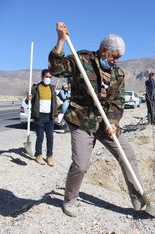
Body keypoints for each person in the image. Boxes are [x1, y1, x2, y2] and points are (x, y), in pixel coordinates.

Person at [49, 22, 148, 217]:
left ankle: (138, 196)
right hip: (82, 121)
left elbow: (118, 101)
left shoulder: (118, 74)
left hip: (105, 123)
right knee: (81, 165)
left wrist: (113, 122)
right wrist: (60, 41)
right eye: (115, 57)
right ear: (104, 51)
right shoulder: (81, 60)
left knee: (127, 154)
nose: (116, 61)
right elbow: (56, 69)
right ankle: (70, 200)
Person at [26, 69, 58, 166]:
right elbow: (28, 101)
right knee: (40, 137)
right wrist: (28, 99)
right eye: (46, 77)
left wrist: (55, 115)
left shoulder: (52, 88)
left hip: (50, 116)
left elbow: (55, 103)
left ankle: (49, 156)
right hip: (39, 116)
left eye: (49, 77)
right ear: (42, 76)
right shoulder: (36, 88)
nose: (48, 79)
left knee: (50, 137)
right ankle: (38, 155)